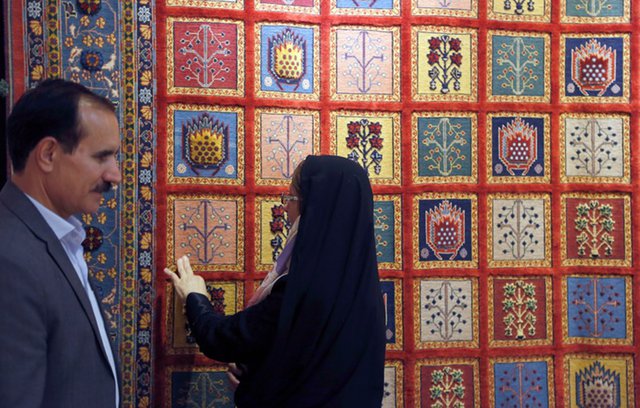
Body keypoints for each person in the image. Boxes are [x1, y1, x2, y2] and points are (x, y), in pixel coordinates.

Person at [165, 155, 386, 407]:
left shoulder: (301, 293)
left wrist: (194, 295)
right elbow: (312, 367)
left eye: (290, 199)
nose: (285, 210)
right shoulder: (372, 298)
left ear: (314, 209)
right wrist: (259, 374)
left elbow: (220, 339)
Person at [0, 79, 122, 407]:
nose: (115, 175)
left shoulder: (55, 235)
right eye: (102, 157)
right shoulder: (9, 259)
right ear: (49, 154)